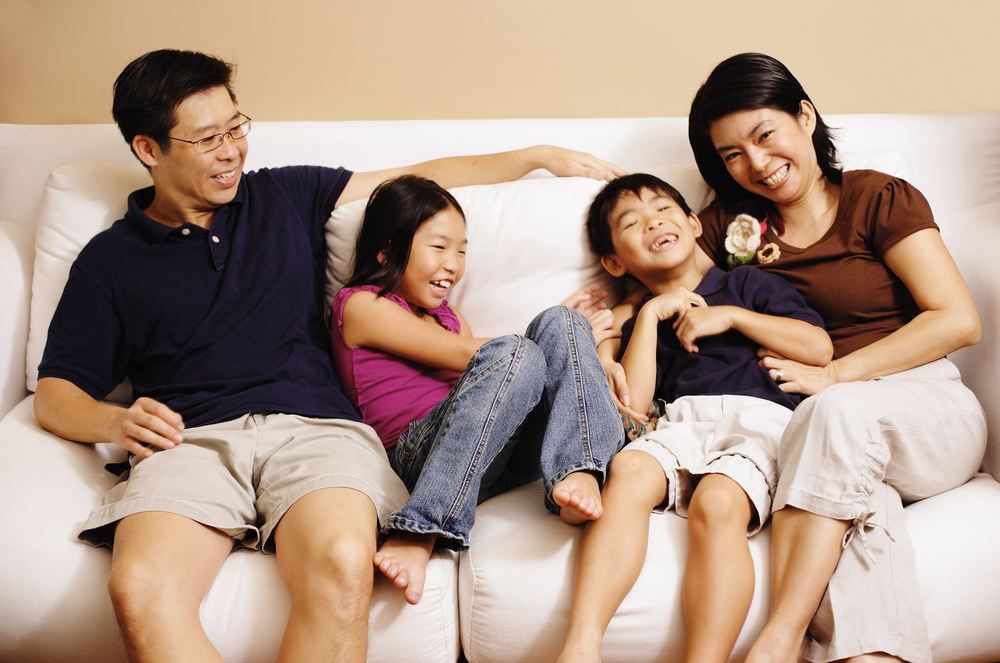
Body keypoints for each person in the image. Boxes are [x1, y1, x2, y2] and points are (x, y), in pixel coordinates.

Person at [31, 49, 627, 663]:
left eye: (237, 127)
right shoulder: (109, 259)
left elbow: (421, 175)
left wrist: (535, 157)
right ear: (149, 149)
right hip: (190, 439)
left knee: (345, 563)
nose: (233, 150)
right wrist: (114, 420)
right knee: (139, 588)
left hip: (316, 429)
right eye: (208, 138)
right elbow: (55, 394)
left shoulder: (285, 194)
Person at [681, 53, 986, 663]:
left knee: (834, 413)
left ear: (805, 115)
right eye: (732, 155)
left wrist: (836, 374)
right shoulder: (729, 227)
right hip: (824, 440)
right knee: (858, 508)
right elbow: (662, 284)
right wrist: (601, 332)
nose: (757, 165)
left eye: (764, 135)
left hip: (926, 407)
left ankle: (780, 638)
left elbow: (958, 319)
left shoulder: (877, 197)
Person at [554, 173, 832, 663]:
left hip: (761, 419)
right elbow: (636, 407)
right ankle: (580, 647)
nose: (653, 222)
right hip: (680, 421)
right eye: (631, 222)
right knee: (629, 470)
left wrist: (733, 317)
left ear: (690, 222)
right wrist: (649, 317)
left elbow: (819, 348)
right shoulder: (637, 316)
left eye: (663, 209)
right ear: (614, 261)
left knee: (718, 504)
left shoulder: (745, 282)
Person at [330, 174, 626, 606]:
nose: (453, 264)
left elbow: (504, 379)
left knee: (561, 324)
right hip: (421, 456)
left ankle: (578, 467)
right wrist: (540, 338)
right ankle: (423, 525)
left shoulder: (450, 316)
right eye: (439, 247)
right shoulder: (361, 305)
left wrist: (567, 329)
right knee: (521, 349)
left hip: (495, 456)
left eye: (462, 250)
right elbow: (469, 355)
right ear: (387, 248)